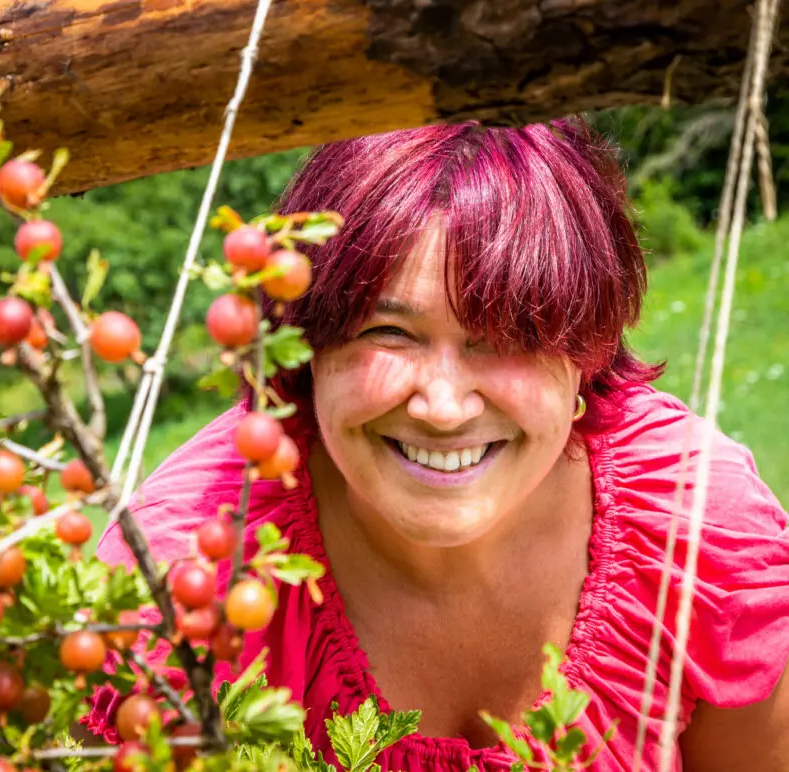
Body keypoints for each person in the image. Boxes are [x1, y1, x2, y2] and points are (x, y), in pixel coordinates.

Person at [80, 120, 789, 770]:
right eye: (388, 332)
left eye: (508, 337)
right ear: (306, 347)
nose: (443, 407)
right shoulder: (186, 573)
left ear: (588, 350)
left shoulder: (700, 528)